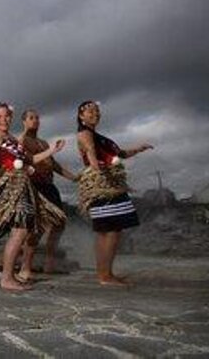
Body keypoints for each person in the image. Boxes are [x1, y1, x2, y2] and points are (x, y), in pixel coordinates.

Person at [0, 102, 65, 291]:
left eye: (7, 115)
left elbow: (30, 159)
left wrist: (52, 150)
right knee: (20, 231)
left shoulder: (12, 139)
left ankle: (11, 276)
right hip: (10, 185)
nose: (4, 119)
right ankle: (6, 278)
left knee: (22, 230)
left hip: (24, 185)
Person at [76, 100, 153, 286]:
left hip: (110, 183)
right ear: (81, 116)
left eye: (97, 111)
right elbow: (90, 152)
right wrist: (97, 168)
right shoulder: (85, 133)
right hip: (103, 184)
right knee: (111, 231)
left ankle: (104, 274)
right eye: (91, 111)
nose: (96, 113)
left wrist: (138, 149)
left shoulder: (100, 136)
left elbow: (120, 154)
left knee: (107, 231)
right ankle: (105, 276)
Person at [18, 109, 78, 282]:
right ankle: (25, 267)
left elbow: (55, 166)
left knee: (59, 223)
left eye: (37, 118)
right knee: (36, 228)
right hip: (33, 186)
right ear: (24, 121)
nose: (35, 121)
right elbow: (27, 160)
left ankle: (49, 260)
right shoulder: (22, 140)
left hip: (49, 186)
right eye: (31, 118)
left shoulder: (44, 143)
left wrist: (75, 177)